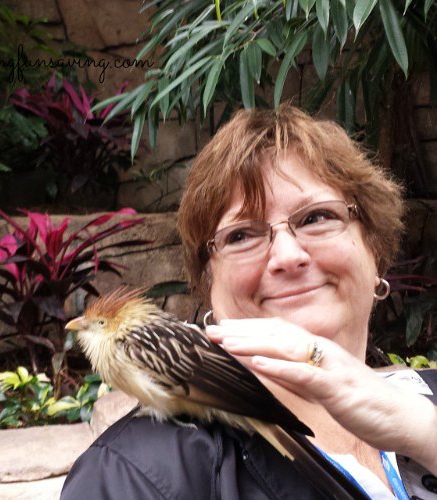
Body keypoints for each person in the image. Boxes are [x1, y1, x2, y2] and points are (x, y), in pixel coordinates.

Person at [61, 105, 437, 499]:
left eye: (317, 217)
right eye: (241, 235)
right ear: (208, 284)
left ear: (374, 251)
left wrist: (427, 435)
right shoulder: (133, 477)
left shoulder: (424, 400)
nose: (288, 256)